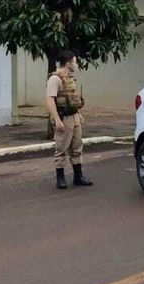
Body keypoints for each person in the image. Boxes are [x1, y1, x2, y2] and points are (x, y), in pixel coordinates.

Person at [46, 50, 92, 189]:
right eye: (75, 61)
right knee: (61, 148)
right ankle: (60, 178)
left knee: (77, 147)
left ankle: (78, 176)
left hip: (74, 116)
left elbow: (72, 99)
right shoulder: (55, 79)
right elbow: (50, 100)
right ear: (68, 63)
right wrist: (57, 120)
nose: (76, 64)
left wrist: (79, 114)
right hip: (64, 117)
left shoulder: (70, 78)